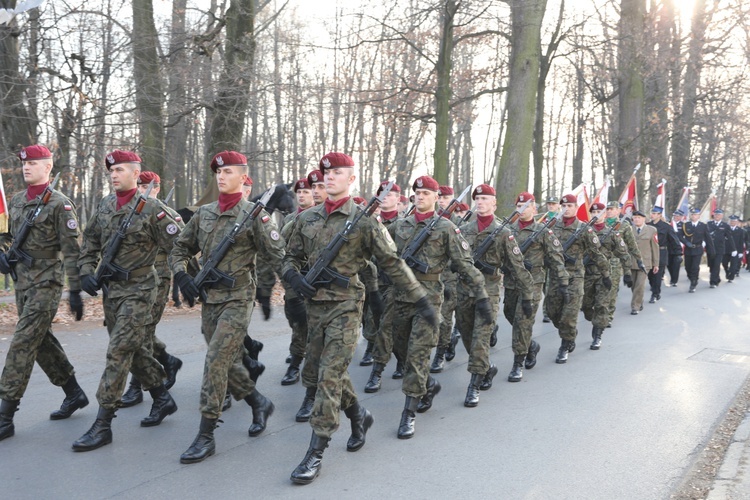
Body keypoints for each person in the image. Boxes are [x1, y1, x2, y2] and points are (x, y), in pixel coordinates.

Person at [282, 152, 434, 484]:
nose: (329, 178)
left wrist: (420, 298)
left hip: (347, 306)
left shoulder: (365, 222)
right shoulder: (306, 219)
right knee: (322, 371)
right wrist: (294, 279)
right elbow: (288, 257)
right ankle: (359, 415)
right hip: (314, 307)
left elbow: (392, 262)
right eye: (326, 173)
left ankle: (316, 450)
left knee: (329, 376)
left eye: (337, 173)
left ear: (351, 179)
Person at [167, 151, 279, 464]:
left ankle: (205, 435)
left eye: (228, 171)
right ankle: (258, 401)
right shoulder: (203, 214)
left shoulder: (255, 215)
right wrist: (183, 275)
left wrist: (277, 289)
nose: (221, 176)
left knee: (215, 360)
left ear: (243, 177)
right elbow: (179, 250)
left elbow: (277, 255)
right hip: (210, 300)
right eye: (218, 171)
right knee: (227, 362)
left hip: (238, 297)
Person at [74, 150, 180, 452]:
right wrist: (85, 273)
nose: (114, 174)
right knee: (132, 350)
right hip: (112, 291)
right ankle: (162, 396)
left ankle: (103, 423)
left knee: (118, 351)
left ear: (136, 173)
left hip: (141, 288)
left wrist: (185, 276)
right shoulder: (105, 206)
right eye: (111, 170)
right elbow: (90, 243)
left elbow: (182, 244)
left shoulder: (153, 209)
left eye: (120, 169)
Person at [0, 144, 87, 441]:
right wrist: (3, 253)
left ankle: (5, 415)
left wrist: (75, 290)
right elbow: (7, 237)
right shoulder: (17, 200)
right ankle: (74, 393)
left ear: (47, 167)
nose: (26, 167)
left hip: (47, 283)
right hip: (22, 284)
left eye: (34, 163)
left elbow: (73, 252)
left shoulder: (59, 204)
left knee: (23, 342)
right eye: (24, 163)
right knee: (41, 341)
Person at [390, 176, 490, 431]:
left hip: (430, 299)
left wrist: (481, 296)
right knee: (399, 350)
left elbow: (465, 265)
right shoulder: (401, 226)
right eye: (417, 193)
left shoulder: (446, 228)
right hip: (401, 298)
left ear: (436, 197)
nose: (420, 196)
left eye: (426, 193)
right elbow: (385, 256)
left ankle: (408, 414)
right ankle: (427, 387)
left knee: (417, 355)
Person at [456, 184, 531, 405]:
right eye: (477, 199)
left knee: (481, 339)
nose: (480, 202)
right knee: (467, 336)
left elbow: (518, 267)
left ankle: (474, 385)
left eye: (485, 199)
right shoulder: (463, 229)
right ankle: (486, 368)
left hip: (488, 293)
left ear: (494, 203)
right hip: (464, 292)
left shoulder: (504, 232)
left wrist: (527, 296)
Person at [120, 171, 184, 407]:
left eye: (147, 186)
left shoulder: (170, 216)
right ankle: (168, 360)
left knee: (140, 334)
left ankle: (136, 387)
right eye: (139, 185)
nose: (141, 189)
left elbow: (182, 247)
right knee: (138, 332)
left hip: (157, 281)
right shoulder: (131, 214)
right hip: (132, 282)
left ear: (157, 188)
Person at [504, 192, 568, 381]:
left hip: (532, 283)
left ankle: (518, 363)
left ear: (534, 208)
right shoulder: (507, 230)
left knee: (523, 321)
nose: (522, 209)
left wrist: (563, 282)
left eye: (527, 205)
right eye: (519, 206)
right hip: (511, 282)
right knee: (510, 315)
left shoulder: (543, 232)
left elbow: (556, 259)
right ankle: (531, 346)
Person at [546, 194, 610, 363]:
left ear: (576, 208)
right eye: (564, 206)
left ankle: (566, 343)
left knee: (569, 315)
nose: (567, 209)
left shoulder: (584, 228)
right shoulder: (551, 227)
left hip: (575, 278)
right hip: (554, 277)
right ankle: (569, 334)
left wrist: (606, 274)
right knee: (552, 312)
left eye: (570, 206)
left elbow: (597, 253)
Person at [364, 180, 406, 393]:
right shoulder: (369, 222)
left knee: (386, 328)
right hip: (372, 284)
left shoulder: (406, 224)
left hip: (394, 285)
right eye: (382, 194)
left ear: (398, 199)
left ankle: (377, 371)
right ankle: (400, 357)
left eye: (390, 194)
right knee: (371, 328)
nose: (385, 197)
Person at [280, 176, 315, 387]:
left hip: (316, 278)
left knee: (310, 323)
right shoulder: (290, 219)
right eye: (299, 192)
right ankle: (299, 355)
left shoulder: (321, 217)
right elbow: (282, 251)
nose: (301, 195)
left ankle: (296, 363)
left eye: (306, 191)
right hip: (295, 278)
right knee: (296, 321)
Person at [581, 203, 630, 348]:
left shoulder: (612, 233)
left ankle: (597, 335)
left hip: (605, 275)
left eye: (599, 211)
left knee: (602, 305)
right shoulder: (583, 231)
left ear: (604, 214)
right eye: (593, 211)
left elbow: (624, 253)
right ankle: (595, 320)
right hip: (587, 274)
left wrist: (627, 272)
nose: (596, 214)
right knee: (586, 306)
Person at [430, 185, 461, 373]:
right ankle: (447, 340)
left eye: (446, 198)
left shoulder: (461, 223)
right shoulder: (432, 221)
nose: (442, 201)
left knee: (446, 316)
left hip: (452, 276)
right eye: (439, 198)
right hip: (432, 276)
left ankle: (440, 353)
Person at [679, 207, 715, 292]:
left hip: (698, 249)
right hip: (688, 249)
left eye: (696, 215)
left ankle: (693, 283)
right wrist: (686, 242)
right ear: (690, 216)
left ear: (699, 216)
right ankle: (691, 277)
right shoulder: (685, 225)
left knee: (695, 267)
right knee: (688, 267)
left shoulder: (703, 226)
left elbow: (708, 238)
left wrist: (711, 250)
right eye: (692, 214)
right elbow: (679, 236)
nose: (694, 216)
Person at [629, 211, 659, 314]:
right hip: (631, 261)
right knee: (633, 284)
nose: (636, 219)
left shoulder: (651, 230)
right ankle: (639, 301)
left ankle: (635, 307)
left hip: (645, 262)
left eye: (639, 218)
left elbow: (655, 248)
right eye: (635, 217)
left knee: (640, 285)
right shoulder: (628, 229)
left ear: (644, 219)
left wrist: (656, 263)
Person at [646, 207, 672, 303]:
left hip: (661, 252)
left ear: (659, 215)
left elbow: (673, 240)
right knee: (650, 275)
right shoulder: (647, 225)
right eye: (651, 213)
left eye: (654, 213)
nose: (652, 215)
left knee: (657, 275)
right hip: (649, 253)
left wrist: (677, 253)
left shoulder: (666, 227)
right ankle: (654, 289)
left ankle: (655, 294)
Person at [706, 209, 735, 288]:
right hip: (710, 248)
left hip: (720, 249)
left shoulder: (725, 225)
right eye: (715, 214)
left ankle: (713, 282)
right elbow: (705, 235)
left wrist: (734, 249)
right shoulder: (709, 224)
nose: (717, 216)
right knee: (711, 266)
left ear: (722, 216)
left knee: (716, 265)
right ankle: (717, 278)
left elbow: (730, 237)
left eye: (718, 215)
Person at [665, 210, 685, 287]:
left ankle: (674, 280)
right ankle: (672, 277)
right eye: (675, 216)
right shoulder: (669, 224)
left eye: (678, 216)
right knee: (669, 264)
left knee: (676, 264)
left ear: (681, 217)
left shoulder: (683, 225)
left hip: (678, 247)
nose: (676, 217)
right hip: (669, 247)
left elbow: (685, 235)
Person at [724, 215, 744, 282]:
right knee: (724, 263)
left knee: (734, 265)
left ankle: (731, 277)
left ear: (737, 222)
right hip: (726, 250)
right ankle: (727, 272)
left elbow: (741, 242)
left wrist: (741, 252)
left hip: (736, 250)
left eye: (734, 221)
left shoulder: (740, 231)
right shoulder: (725, 229)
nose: (732, 222)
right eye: (731, 221)